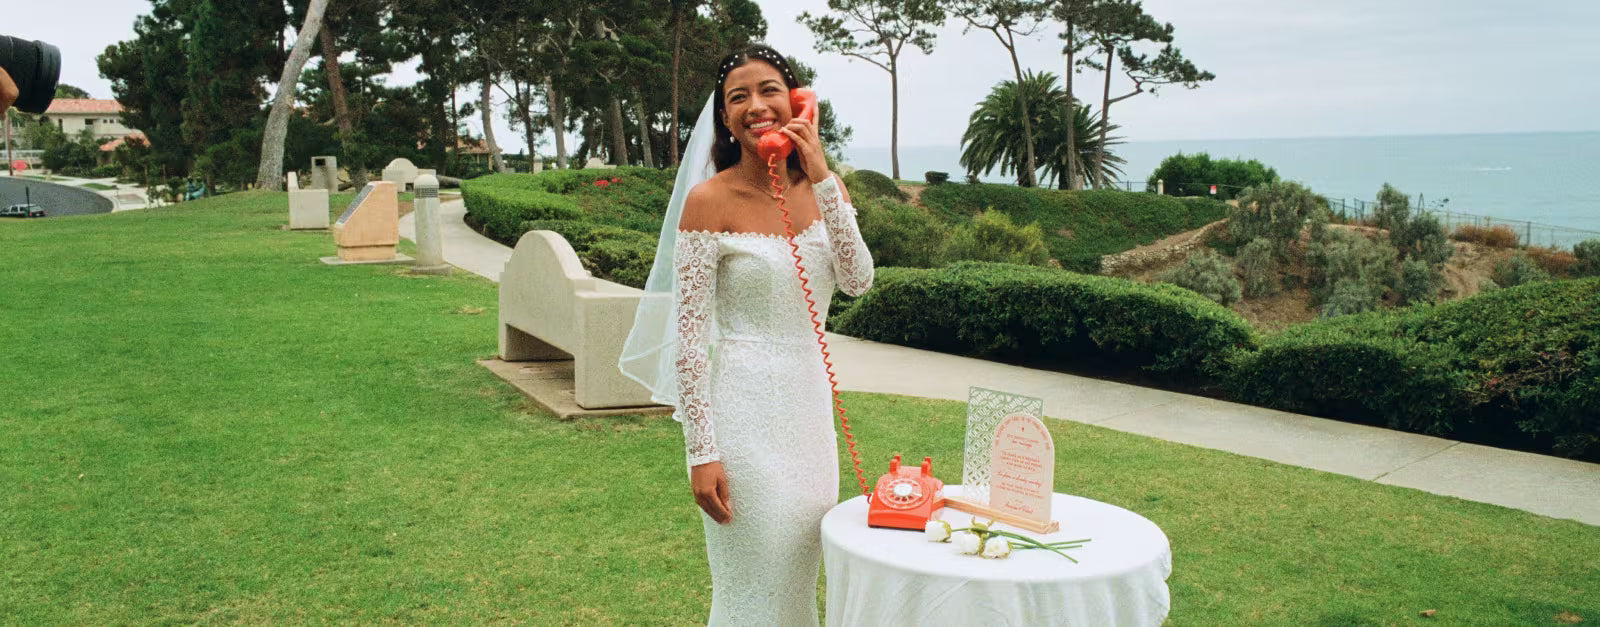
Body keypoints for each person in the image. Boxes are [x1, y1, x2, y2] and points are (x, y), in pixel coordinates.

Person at [618, 45, 873, 625]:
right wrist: (701, 453)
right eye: (739, 97)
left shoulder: (827, 190)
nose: (756, 106)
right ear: (725, 117)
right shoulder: (709, 201)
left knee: (797, 581)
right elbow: (688, 339)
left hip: (809, 418)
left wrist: (822, 175)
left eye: (769, 90)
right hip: (742, 416)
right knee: (751, 586)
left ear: (798, 101)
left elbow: (857, 281)